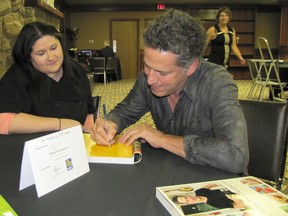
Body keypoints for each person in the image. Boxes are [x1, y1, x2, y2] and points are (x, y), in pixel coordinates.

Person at [90, 9, 249, 174]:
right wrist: (110, 124)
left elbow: (235, 156)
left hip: (213, 178)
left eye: (163, 73)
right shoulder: (147, 78)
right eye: (146, 66)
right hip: (171, 172)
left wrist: (162, 139)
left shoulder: (217, 82)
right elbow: (125, 111)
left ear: (191, 67)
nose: (150, 79)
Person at [0, 22, 95, 135]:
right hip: (33, 147)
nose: (51, 57)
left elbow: (89, 113)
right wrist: (60, 124)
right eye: (41, 53)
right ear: (28, 57)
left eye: (54, 48)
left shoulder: (77, 71)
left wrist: (89, 135)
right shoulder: (17, 77)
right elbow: (3, 121)